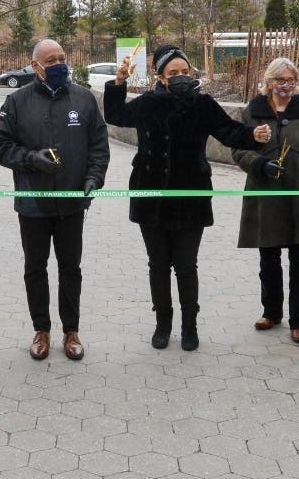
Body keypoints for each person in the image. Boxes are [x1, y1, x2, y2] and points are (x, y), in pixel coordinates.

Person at [104, 43, 270, 350]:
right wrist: (119, 82)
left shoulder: (202, 103)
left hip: (190, 197)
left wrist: (253, 136)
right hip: (150, 196)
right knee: (157, 264)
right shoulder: (147, 103)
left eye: (184, 71)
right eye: (173, 72)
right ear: (161, 76)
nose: (180, 76)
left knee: (186, 265)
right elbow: (115, 114)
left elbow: (229, 131)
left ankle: (190, 325)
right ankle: (162, 324)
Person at [0, 38, 110, 361]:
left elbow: (99, 146)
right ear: (35, 67)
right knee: (35, 267)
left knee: (71, 267)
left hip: (72, 203)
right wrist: (31, 158)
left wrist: (92, 179)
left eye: (62, 58)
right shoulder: (16, 102)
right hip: (33, 203)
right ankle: (41, 330)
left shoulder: (84, 100)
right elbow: (0, 147)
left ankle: (71, 330)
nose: (59, 64)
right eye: (51, 60)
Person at [232, 57, 299, 344]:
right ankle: (272, 312)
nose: (285, 86)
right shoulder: (253, 111)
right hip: (267, 196)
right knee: (269, 260)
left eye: (290, 80)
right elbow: (238, 149)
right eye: (280, 80)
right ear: (268, 81)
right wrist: (259, 163)